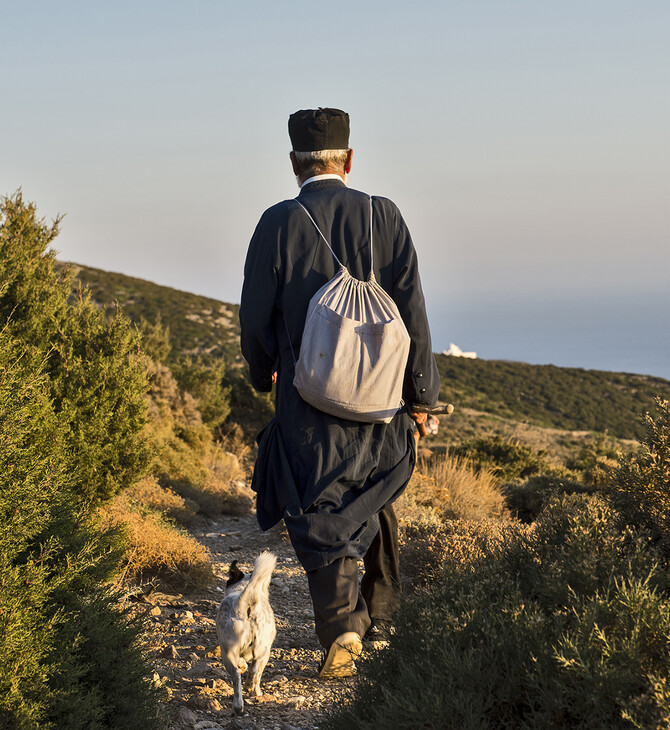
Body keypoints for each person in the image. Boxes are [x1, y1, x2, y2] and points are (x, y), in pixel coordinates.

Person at [239, 107, 440, 679]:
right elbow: (413, 311)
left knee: (321, 507)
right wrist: (420, 395)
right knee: (373, 498)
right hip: (381, 401)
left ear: (294, 164)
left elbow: (254, 318)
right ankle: (379, 622)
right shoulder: (385, 215)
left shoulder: (278, 223)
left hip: (307, 402)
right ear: (348, 160)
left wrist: (263, 372)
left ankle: (344, 629)